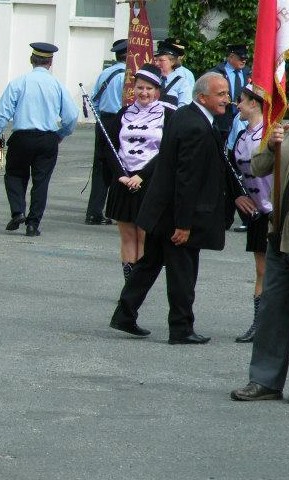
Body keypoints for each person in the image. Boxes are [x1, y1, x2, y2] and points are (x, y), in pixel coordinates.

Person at [108, 72, 255, 343]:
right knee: (182, 272)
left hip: (162, 208)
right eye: (221, 94)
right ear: (203, 97)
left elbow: (217, 162)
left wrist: (236, 193)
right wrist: (184, 224)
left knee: (149, 264)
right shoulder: (195, 126)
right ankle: (181, 328)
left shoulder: (187, 115)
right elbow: (186, 179)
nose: (227, 99)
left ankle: (124, 314)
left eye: (226, 93)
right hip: (176, 214)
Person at [0, 42, 78, 237]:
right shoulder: (57, 85)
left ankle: (18, 212)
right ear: (50, 62)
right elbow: (72, 116)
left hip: (22, 137)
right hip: (48, 138)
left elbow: (2, 113)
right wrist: (61, 133)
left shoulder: (19, 82)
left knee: (14, 174)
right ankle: (33, 224)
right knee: (41, 182)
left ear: (31, 60)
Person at [230, 122, 289, 401]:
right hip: (280, 234)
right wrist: (270, 146)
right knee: (272, 310)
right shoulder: (284, 129)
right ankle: (265, 380)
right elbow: (258, 168)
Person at [105, 64, 175, 281]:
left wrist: (142, 176)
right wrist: (121, 174)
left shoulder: (169, 114)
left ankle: (139, 285)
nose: (144, 93)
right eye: (140, 88)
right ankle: (129, 284)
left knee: (144, 235)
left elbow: (168, 152)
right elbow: (110, 147)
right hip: (124, 180)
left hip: (150, 181)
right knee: (127, 236)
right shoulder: (123, 113)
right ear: (133, 89)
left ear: (157, 90)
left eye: (149, 88)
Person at [229, 85, 271, 342]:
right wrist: (239, 195)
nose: (238, 105)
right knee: (261, 270)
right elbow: (232, 169)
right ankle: (259, 324)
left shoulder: (271, 133)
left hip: (278, 212)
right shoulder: (243, 136)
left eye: (242, 101)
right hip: (258, 213)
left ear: (254, 103)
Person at [85, 38, 127, 226]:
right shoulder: (129, 76)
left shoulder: (105, 73)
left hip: (104, 121)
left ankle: (94, 212)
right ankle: (117, 210)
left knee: (100, 166)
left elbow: (94, 100)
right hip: (121, 121)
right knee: (121, 165)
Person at [210, 44, 251, 139]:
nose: (244, 61)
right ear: (231, 56)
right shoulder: (216, 73)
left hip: (244, 123)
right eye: (241, 58)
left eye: (245, 58)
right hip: (221, 123)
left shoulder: (249, 73)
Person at [153, 41, 192, 107]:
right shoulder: (153, 79)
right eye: (156, 60)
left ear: (172, 62)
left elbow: (184, 107)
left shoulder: (182, 83)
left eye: (161, 60)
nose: (157, 63)